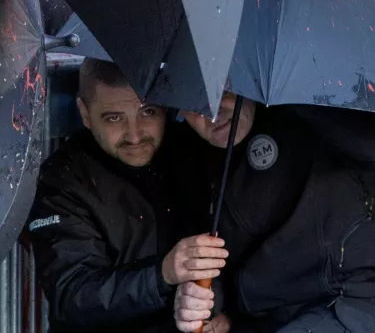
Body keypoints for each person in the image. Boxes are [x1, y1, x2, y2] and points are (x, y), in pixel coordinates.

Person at [171, 94, 375, 333]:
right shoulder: (196, 165)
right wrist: (200, 304)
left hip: (360, 298)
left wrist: (297, 99)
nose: (212, 113)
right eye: (193, 104)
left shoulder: (305, 113)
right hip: (274, 318)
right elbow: (214, 264)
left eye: (223, 92)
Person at [27, 59, 229, 333]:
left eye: (147, 112)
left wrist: (222, 311)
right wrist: (162, 274)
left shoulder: (193, 151)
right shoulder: (61, 181)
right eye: (114, 118)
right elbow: (72, 295)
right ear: (84, 114)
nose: (134, 135)